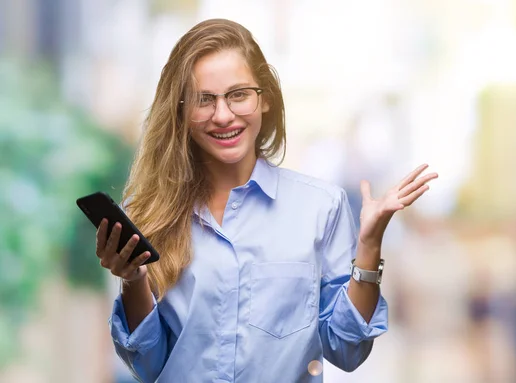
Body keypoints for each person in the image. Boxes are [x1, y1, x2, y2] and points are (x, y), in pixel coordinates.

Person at [96, 18, 437, 383]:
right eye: (204, 99)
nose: (223, 114)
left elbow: (346, 350)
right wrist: (133, 279)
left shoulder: (322, 208)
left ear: (265, 99)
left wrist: (369, 245)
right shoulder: (149, 214)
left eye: (238, 94)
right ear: (181, 111)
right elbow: (147, 365)